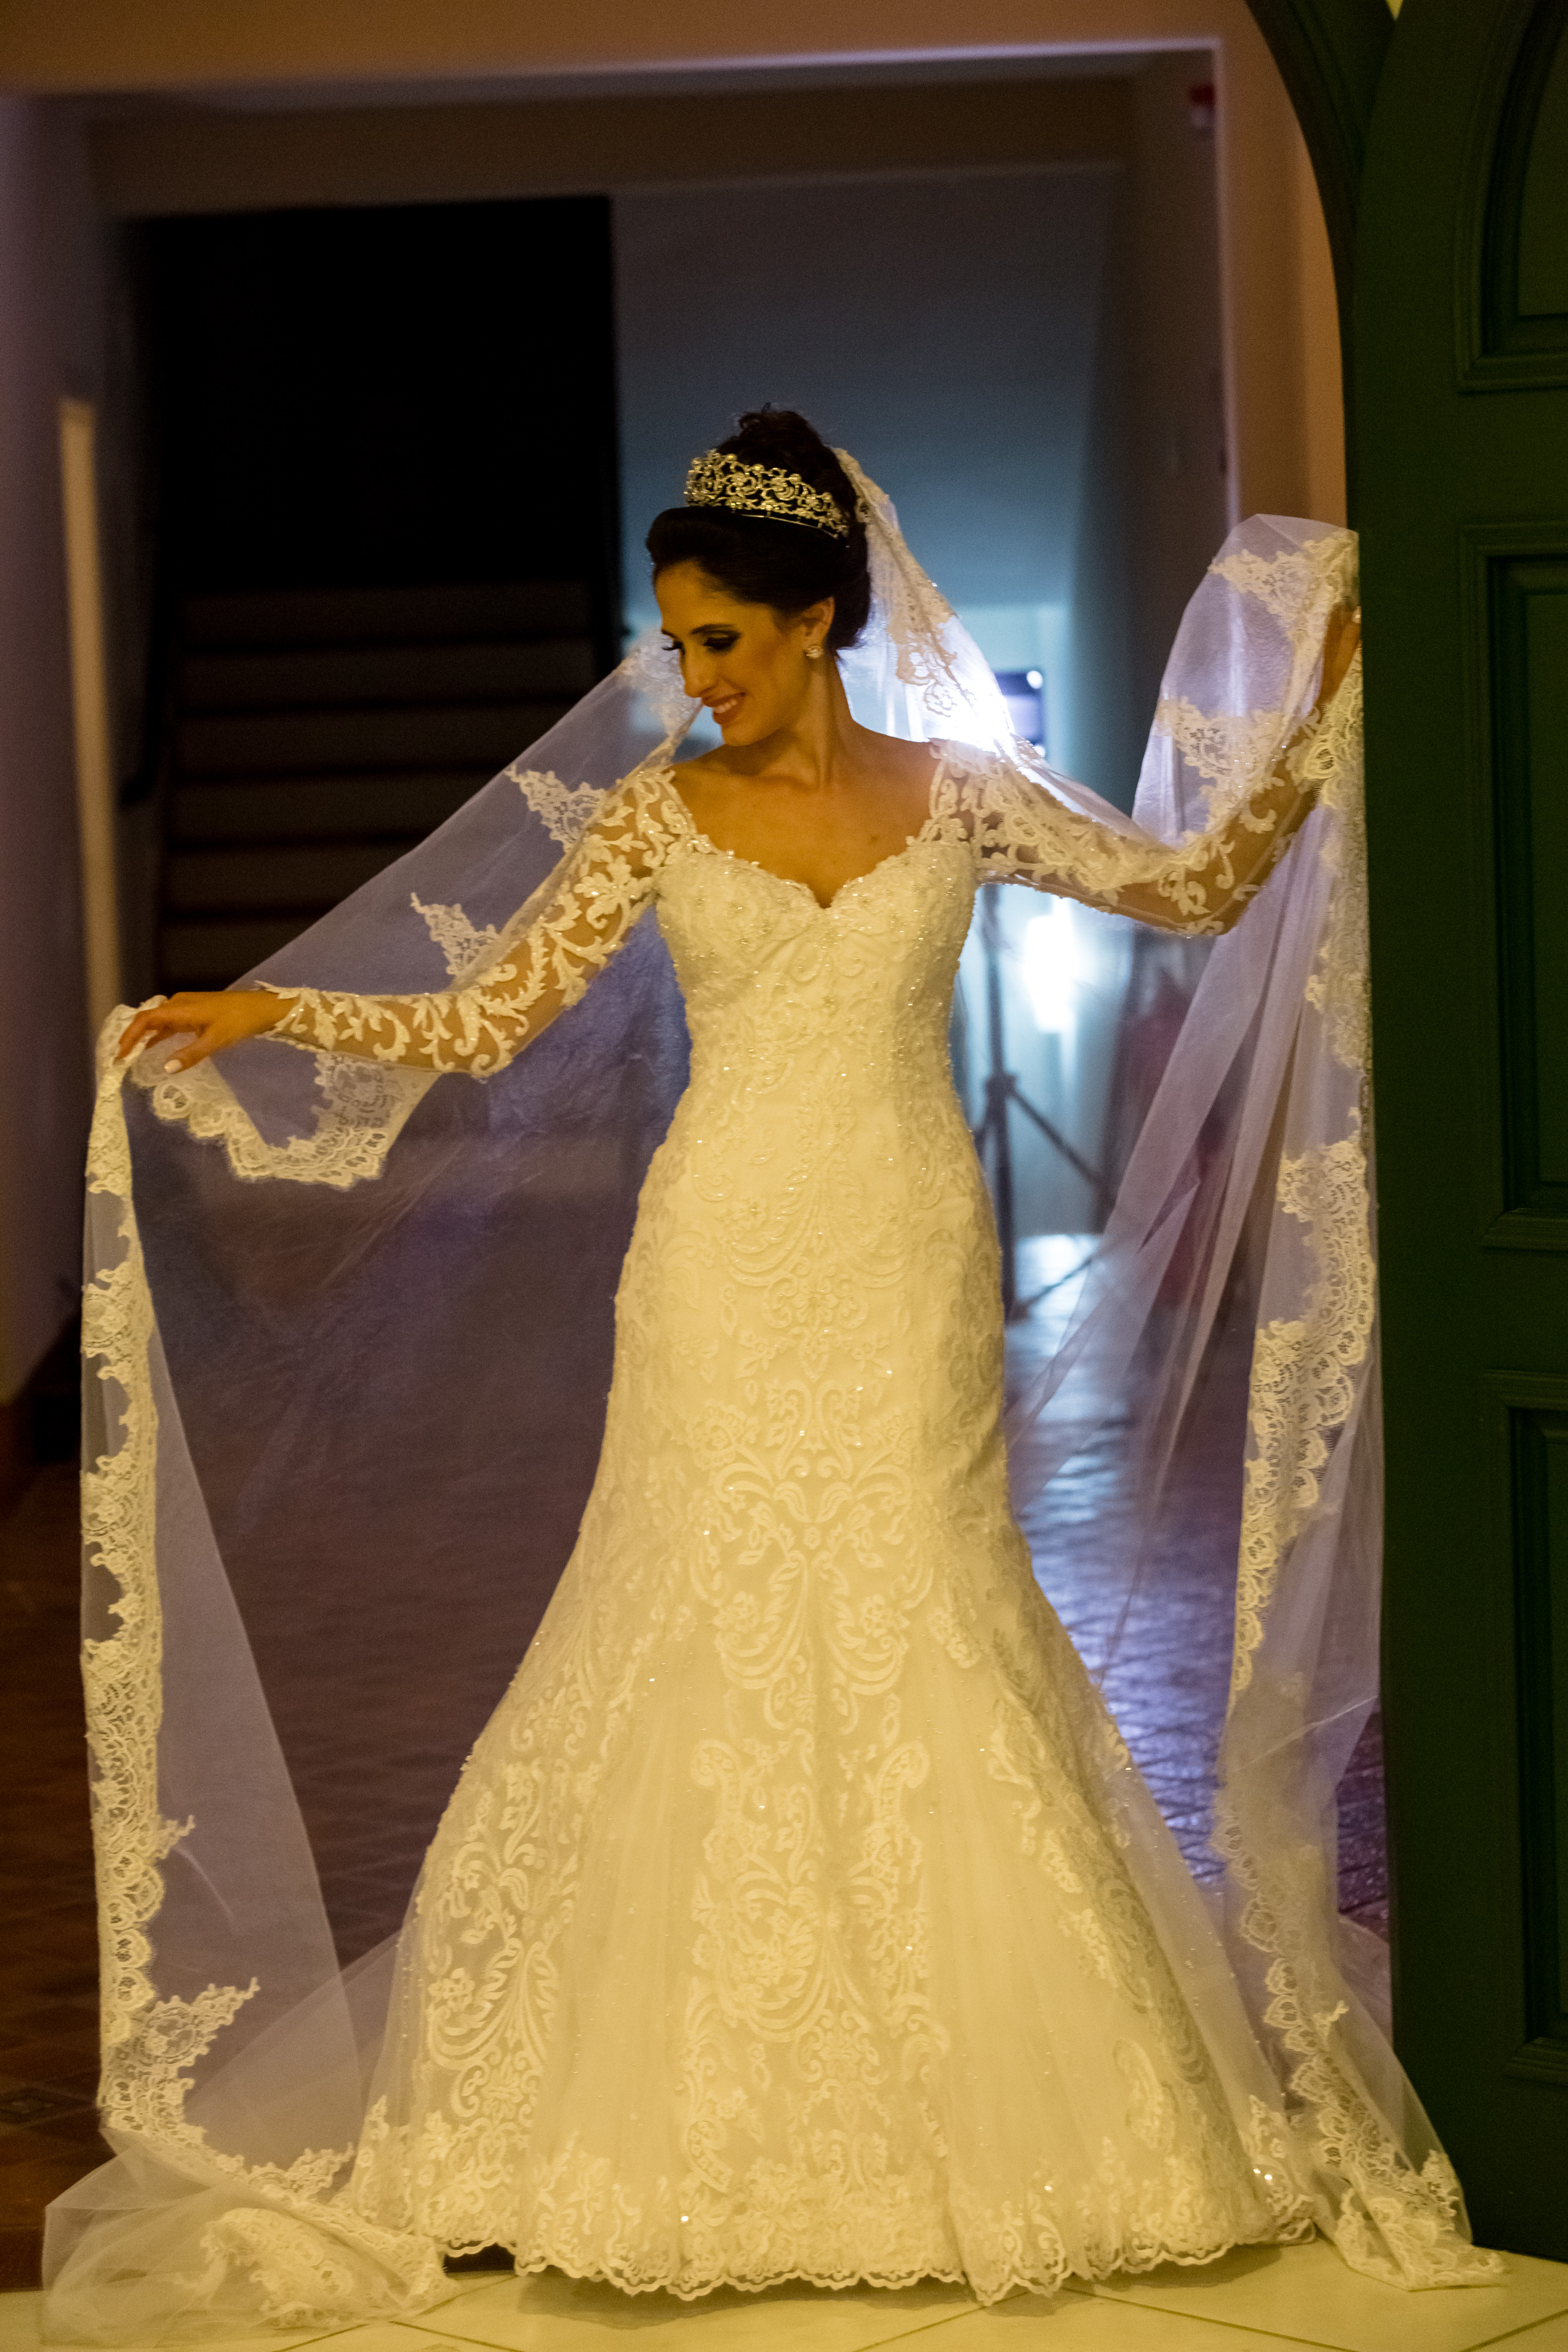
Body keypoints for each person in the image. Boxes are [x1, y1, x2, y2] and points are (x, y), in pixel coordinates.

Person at [61, 413, 1493, 2338]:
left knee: (930, 1600)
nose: (692, 675)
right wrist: (269, 1004)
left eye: (718, 640)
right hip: (714, 1263)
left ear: (815, 620)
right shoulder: (655, 814)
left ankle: (987, 2105)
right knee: (685, 1606)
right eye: (676, 644)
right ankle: (623, 2110)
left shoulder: (962, 795)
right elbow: (486, 1023)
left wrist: (1316, 715)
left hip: (904, 1256)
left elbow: (1192, 889)